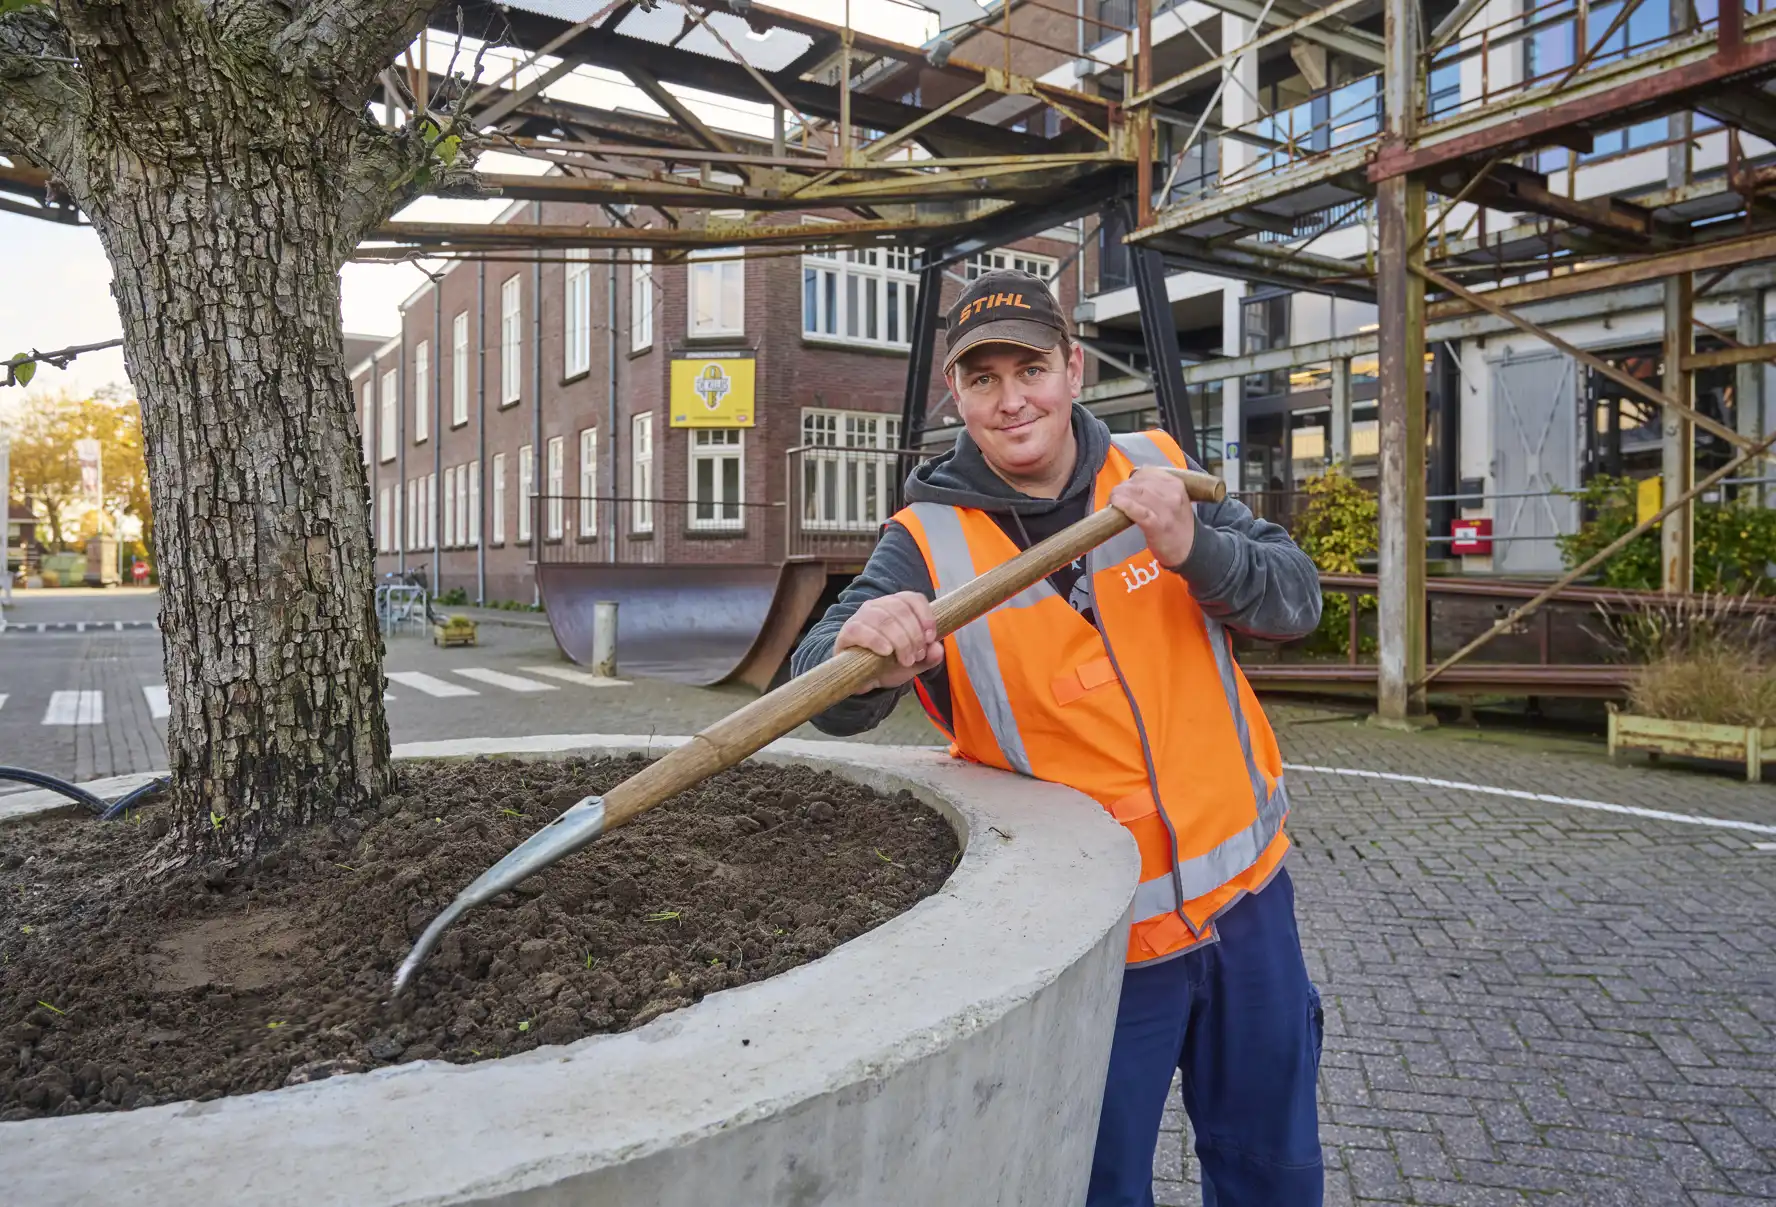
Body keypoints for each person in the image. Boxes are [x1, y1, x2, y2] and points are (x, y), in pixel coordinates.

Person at [789, 269, 1327, 1206]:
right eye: (983, 378)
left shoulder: (1158, 470)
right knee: (1092, 1184)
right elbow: (812, 681)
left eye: (1030, 368)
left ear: (1073, 368)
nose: (1011, 399)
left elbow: (1297, 597)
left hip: (1247, 911)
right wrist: (864, 652)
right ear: (956, 393)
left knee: (1271, 1171)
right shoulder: (926, 540)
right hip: (1095, 946)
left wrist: (1196, 548)